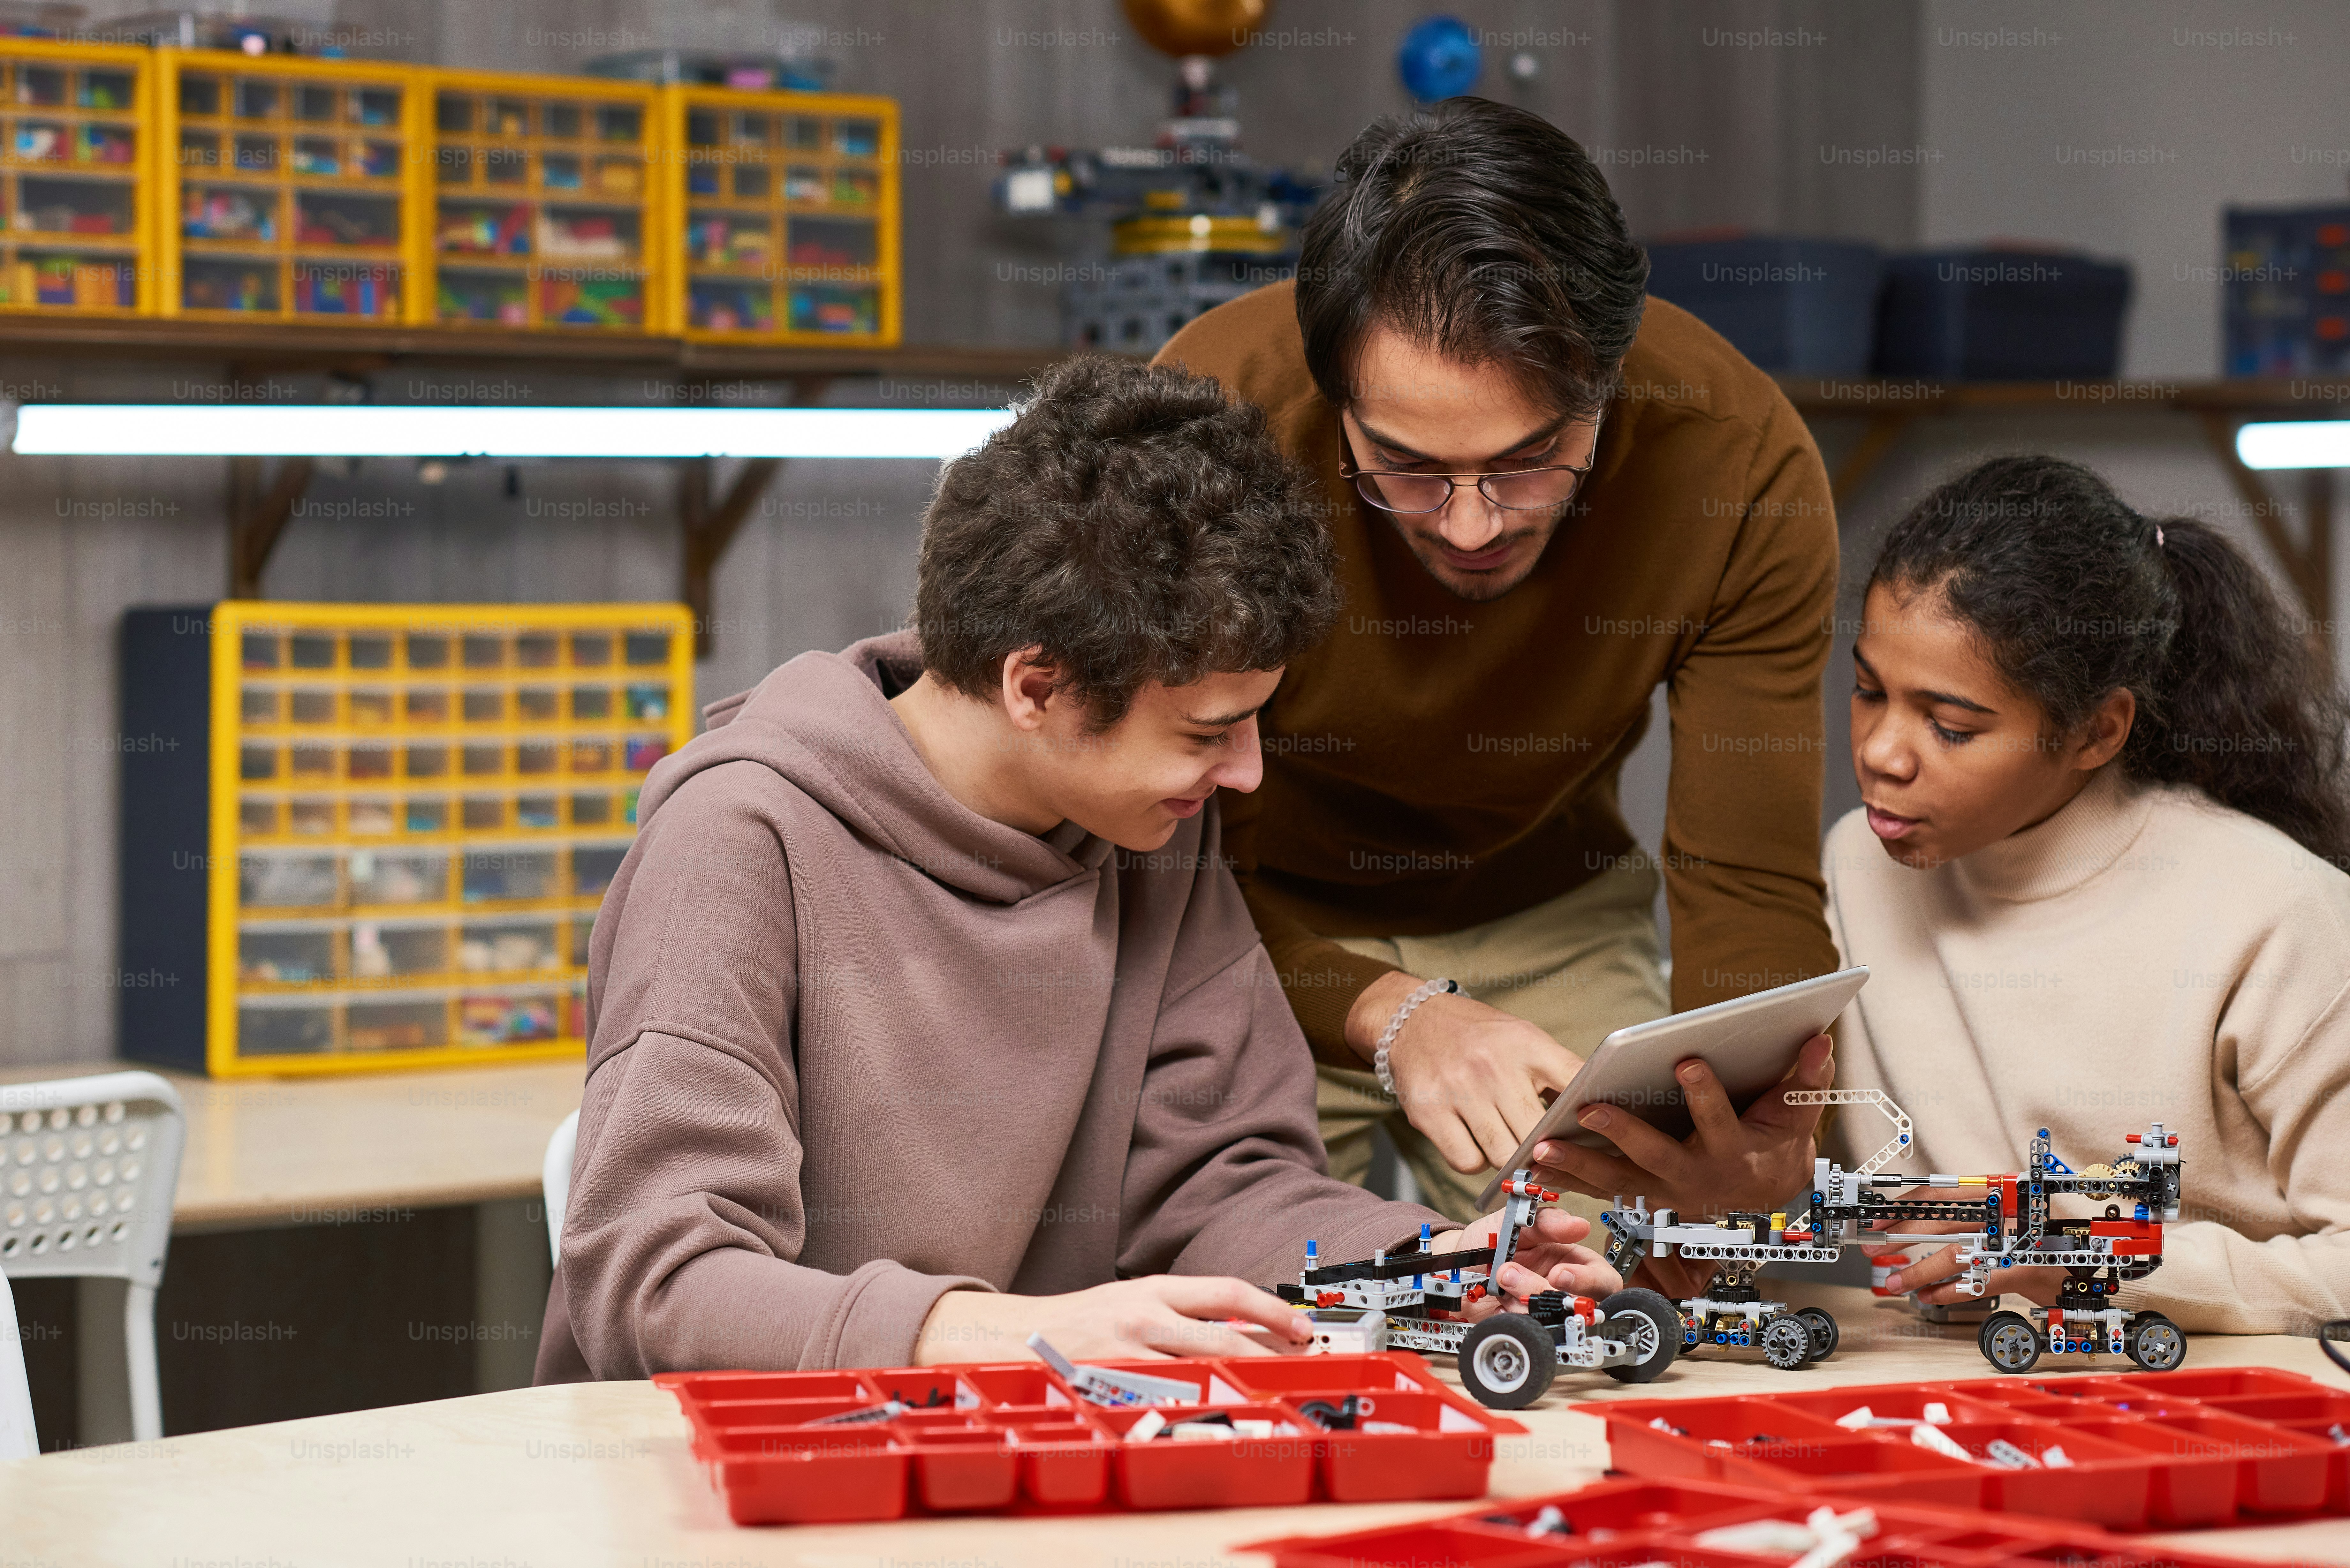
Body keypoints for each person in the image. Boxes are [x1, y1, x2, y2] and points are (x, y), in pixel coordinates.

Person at [534, 355, 1621, 1383]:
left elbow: (1217, 1189)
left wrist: (1423, 1269)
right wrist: (1017, 1334)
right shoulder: (738, 841)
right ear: (1037, 687)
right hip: (737, 1484)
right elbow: (659, 1285)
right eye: (1207, 731)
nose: (1245, 774)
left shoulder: (1149, 833)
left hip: (1030, 1455)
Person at [1154, 95, 1841, 1223]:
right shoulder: (1213, 424)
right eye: (1406, 466)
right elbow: (1144, 871)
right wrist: (1394, 1012)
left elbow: (1748, 878)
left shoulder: (1738, 460)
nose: (1471, 528)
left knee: (1630, 1275)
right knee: (1231, 1293)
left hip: (1549, 911)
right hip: (1239, 920)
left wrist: (1751, 1126)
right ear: (1333, 396)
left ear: (1610, 382)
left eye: (1533, 461)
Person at [1823, 454, 2350, 1333]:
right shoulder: (1860, 863)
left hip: (2220, 1395)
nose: (1883, 752)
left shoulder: (2282, 916)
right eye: (1869, 692)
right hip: (1969, 1375)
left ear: (2097, 731)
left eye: (1951, 727)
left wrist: (2092, 1262)